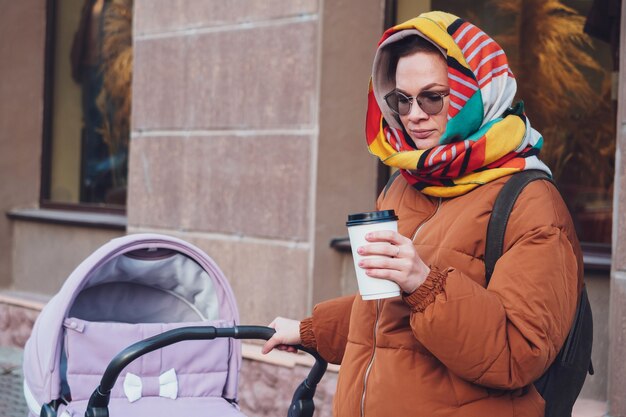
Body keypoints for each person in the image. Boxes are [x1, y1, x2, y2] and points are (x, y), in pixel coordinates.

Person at [263, 11, 583, 417]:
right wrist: (310, 331)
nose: (414, 115)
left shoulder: (532, 202)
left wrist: (424, 282)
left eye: (433, 97)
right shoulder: (405, 184)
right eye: (401, 99)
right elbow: (382, 315)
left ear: (473, 93)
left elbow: (518, 353)